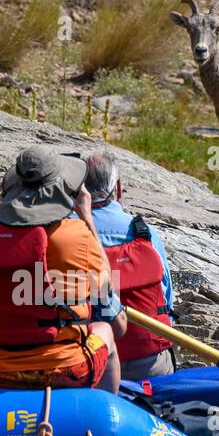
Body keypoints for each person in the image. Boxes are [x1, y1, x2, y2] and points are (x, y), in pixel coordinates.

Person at [0, 146, 126, 393]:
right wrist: (87, 218)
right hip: (64, 369)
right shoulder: (75, 235)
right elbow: (106, 287)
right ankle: (105, 413)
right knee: (104, 330)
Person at [82, 152, 176, 381]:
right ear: (119, 189)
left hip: (90, 358)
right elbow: (167, 298)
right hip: (147, 362)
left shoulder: (67, 233)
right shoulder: (144, 232)